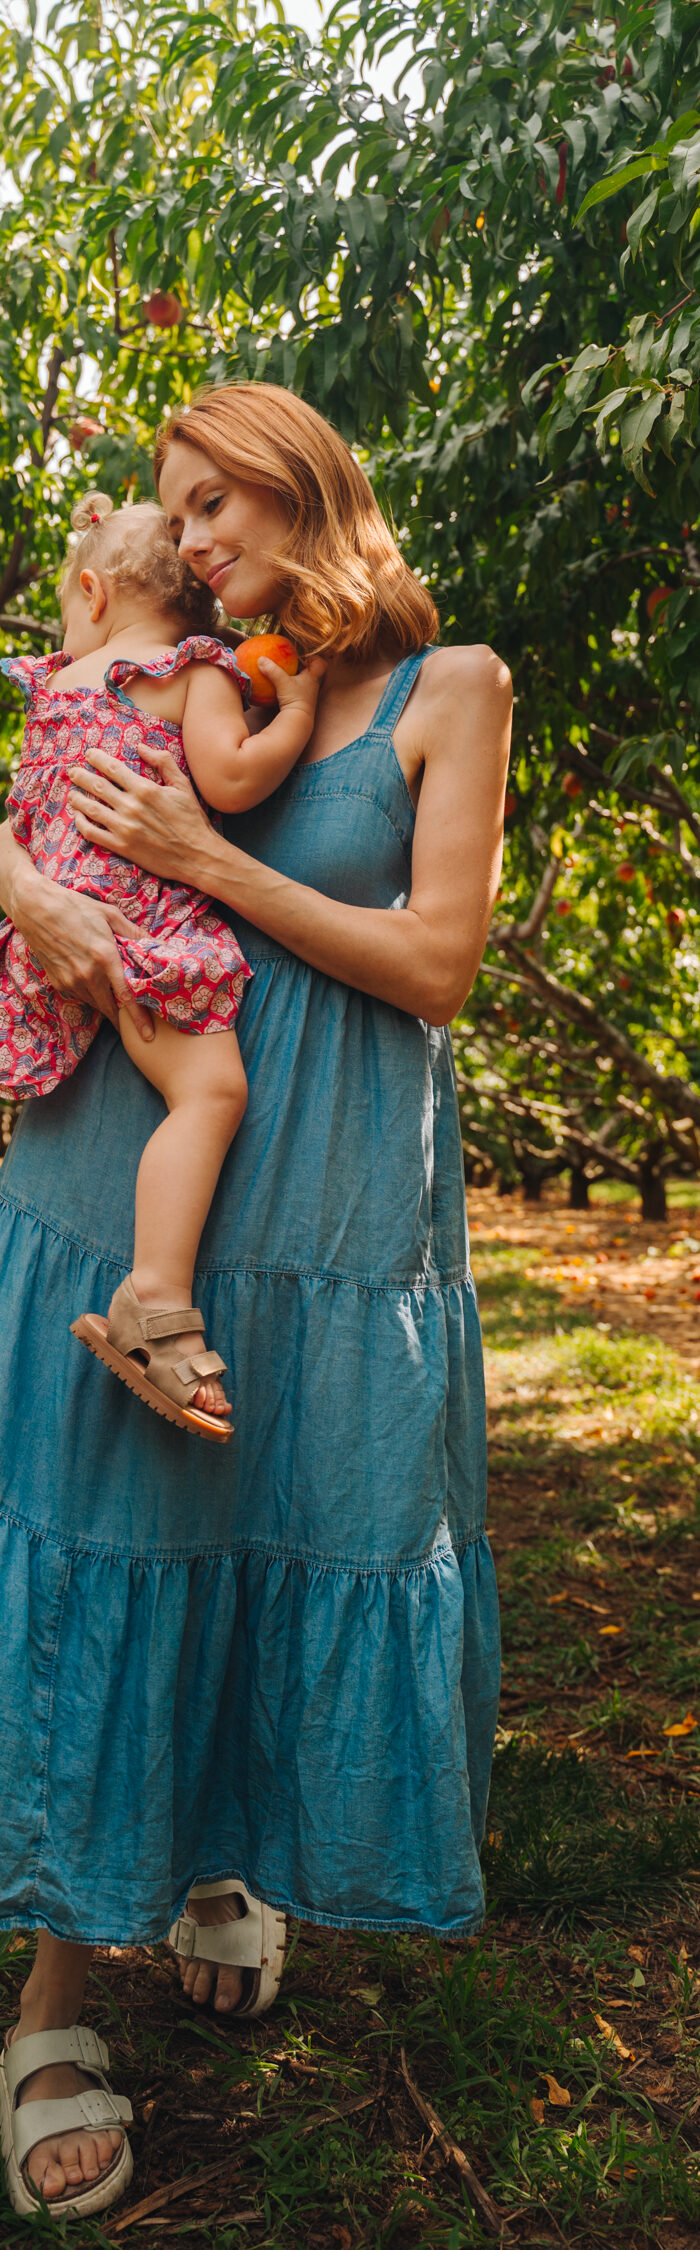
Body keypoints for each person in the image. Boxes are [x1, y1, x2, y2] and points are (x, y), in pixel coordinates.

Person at [0, 382, 511, 2221]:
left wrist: (210, 865)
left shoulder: (450, 690)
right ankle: (54, 1997)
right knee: (117, 1533)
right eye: (177, 512)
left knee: (287, 1518)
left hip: (335, 1199)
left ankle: (225, 1866)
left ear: (310, 485)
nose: (197, 540)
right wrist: (43, 908)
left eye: (219, 503)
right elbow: (28, 792)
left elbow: (436, 964)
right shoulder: (164, 672)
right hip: (119, 1160)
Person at [0, 493, 321, 1438]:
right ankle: (153, 1297)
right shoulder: (189, 670)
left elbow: (21, 820)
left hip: (48, 936)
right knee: (211, 1095)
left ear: (91, 594)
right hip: (142, 932)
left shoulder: (55, 685)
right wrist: (293, 715)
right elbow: (227, 778)